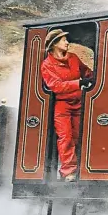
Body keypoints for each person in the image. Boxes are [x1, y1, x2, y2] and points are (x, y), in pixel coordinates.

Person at [41, 29, 93, 182]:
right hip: (62, 105)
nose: (67, 42)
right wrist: (78, 83)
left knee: (78, 137)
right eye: (63, 40)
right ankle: (68, 172)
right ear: (54, 44)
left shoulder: (74, 58)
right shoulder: (47, 65)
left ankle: (79, 169)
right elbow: (56, 86)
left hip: (78, 102)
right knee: (65, 138)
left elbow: (87, 72)